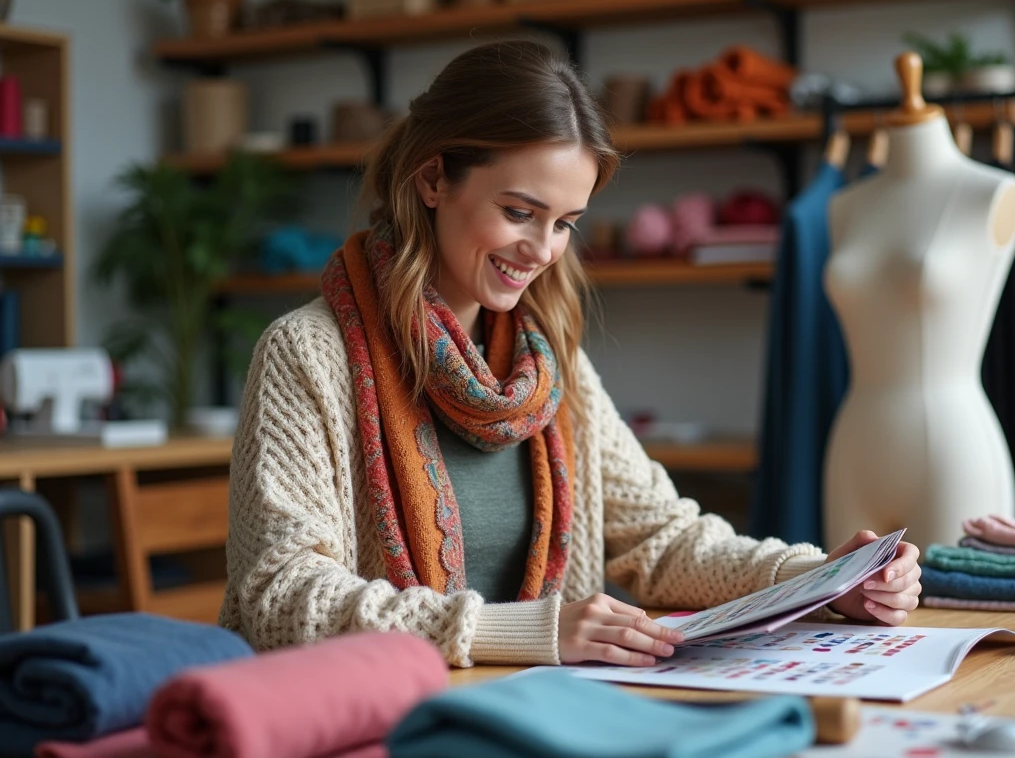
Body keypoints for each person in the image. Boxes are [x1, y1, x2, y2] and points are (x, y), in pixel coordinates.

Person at [220, 40, 922, 668]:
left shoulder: (547, 366)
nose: (542, 251)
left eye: (564, 224)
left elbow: (663, 538)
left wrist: (821, 578)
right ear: (433, 181)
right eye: (520, 212)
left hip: (531, 713)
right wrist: (527, 633)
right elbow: (284, 598)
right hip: (372, 723)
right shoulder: (306, 355)